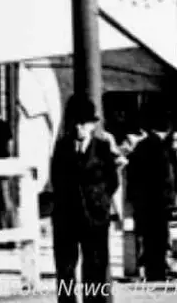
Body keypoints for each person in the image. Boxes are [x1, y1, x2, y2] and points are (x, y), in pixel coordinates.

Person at [51, 94, 119, 303]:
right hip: (67, 218)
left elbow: (112, 181)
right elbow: (56, 179)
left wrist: (100, 201)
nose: (79, 128)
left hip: (95, 218)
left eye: (84, 123)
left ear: (92, 125)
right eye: (76, 123)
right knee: (65, 269)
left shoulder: (102, 147)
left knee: (96, 268)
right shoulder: (62, 147)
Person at [127, 112, 177, 281]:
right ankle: (157, 272)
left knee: (149, 238)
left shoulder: (142, 146)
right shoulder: (160, 148)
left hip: (145, 201)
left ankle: (152, 271)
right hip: (158, 202)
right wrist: (171, 200)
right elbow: (166, 178)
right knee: (159, 238)